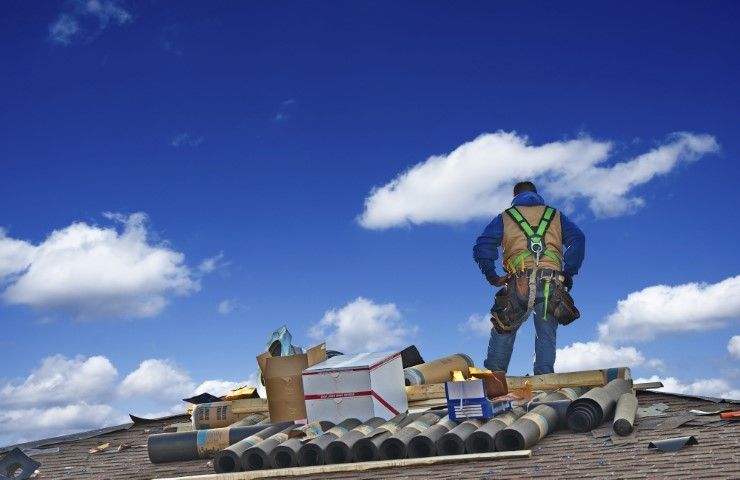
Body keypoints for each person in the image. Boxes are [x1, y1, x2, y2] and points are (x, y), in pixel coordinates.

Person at [473, 181, 585, 374]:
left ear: (515, 197)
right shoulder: (555, 215)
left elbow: (482, 246)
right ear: (536, 194)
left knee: (504, 326)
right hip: (551, 282)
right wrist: (568, 272)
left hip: (519, 281)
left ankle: (494, 378)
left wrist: (492, 276)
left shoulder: (506, 217)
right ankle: (544, 380)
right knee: (546, 333)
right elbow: (578, 238)